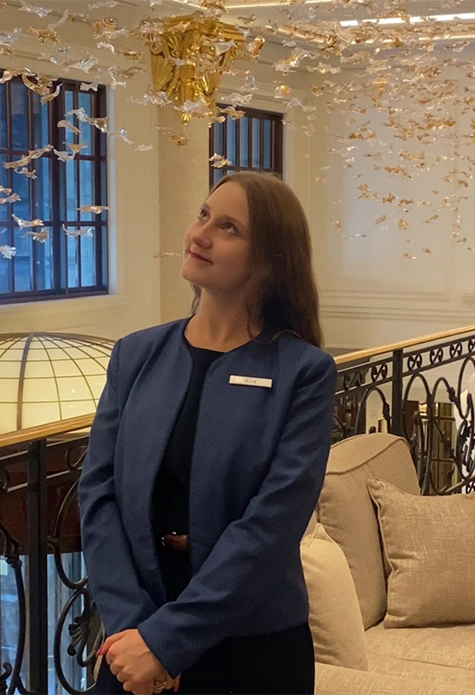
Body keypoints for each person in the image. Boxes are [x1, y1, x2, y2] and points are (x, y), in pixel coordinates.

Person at [78, 171, 337, 695]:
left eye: (228, 228)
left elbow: (272, 525)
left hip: (252, 647)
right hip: (133, 637)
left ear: (269, 262)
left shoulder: (305, 373)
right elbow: (98, 494)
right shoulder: (135, 354)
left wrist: (167, 642)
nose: (200, 234)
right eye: (203, 215)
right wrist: (136, 629)